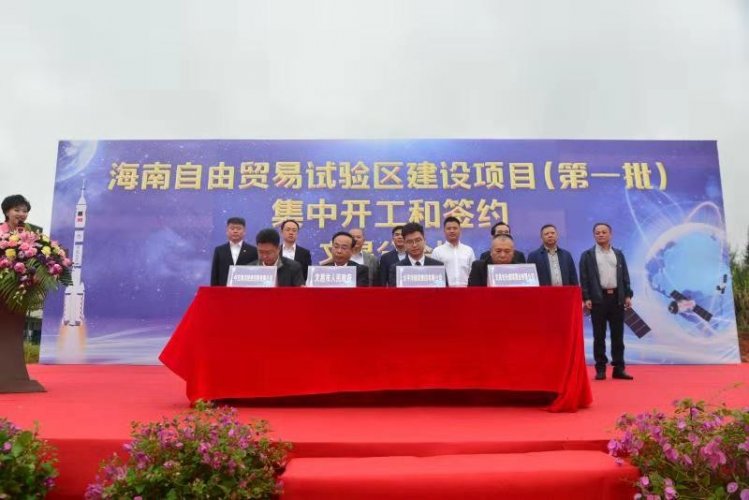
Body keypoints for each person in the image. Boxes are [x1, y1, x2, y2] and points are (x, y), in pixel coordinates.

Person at [579, 222, 634, 381]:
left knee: (618, 336)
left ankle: (619, 368)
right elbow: (584, 278)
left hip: (617, 298)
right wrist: (586, 298)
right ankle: (601, 369)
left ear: (610, 234)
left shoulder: (618, 254)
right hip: (598, 299)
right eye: (597, 232)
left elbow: (625, 277)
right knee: (599, 336)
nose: (601, 234)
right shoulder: (587, 255)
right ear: (594, 235)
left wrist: (628, 295)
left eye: (604, 232)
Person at [210, 217, 258, 286]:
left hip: (245, 289)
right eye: (232, 228)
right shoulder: (219, 250)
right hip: (224, 290)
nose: (235, 231)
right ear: (227, 231)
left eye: (239, 229)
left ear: (244, 231)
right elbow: (215, 274)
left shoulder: (253, 251)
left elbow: (255, 273)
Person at [430, 216, 475, 287]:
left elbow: (473, 274)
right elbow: (434, 275)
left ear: (460, 230)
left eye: (455, 228)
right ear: (444, 231)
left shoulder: (469, 250)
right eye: (448, 228)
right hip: (445, 291)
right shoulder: (437, 251)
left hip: (465, 290)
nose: (452, 231)